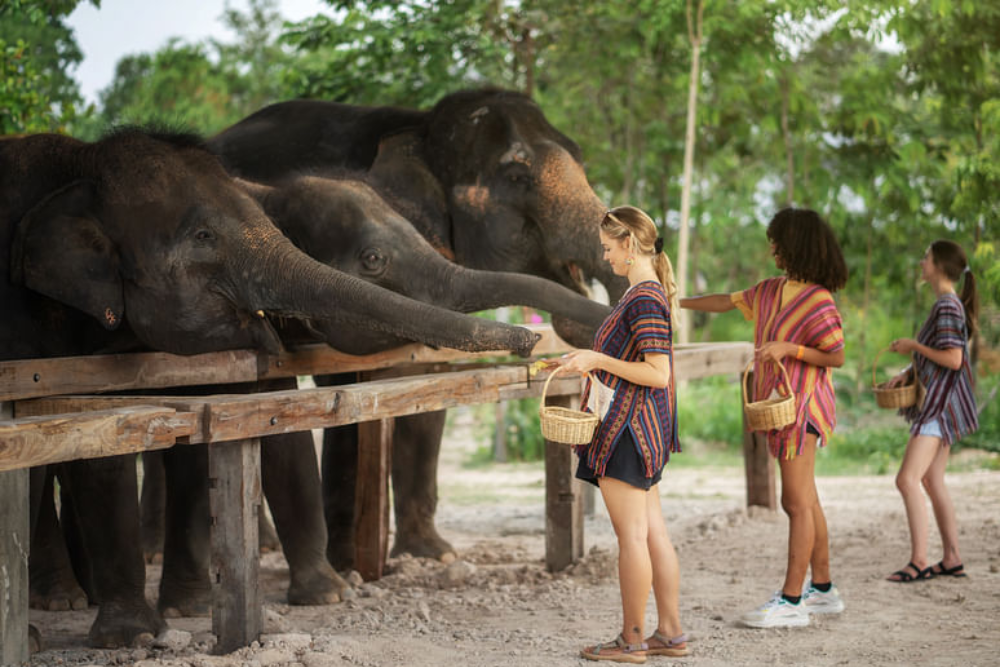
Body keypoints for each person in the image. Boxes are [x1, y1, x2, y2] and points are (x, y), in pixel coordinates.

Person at [680, 207, 848, 628]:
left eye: (777, 243)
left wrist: (788, 350)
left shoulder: (818, 300)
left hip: (803, 406)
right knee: (806, 497)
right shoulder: (770, 290)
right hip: (780, 407)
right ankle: (823, 591)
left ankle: (792, 602)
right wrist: (675, 300)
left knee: (794, 502)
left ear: (796, 246)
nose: (772, 250)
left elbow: (837, 354)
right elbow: (726, 300)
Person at [553, 206, 688, 663]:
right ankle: (669, 633)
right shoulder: (643, 294)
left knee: (632, 538)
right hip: (643, 429)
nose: (605, 256)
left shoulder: (644, 298)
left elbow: (658, 372)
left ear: (629, 245)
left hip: (629, 431)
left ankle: (631, 641)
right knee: (652, 535)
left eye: (609, 248)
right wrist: (583, 358)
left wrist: (597, 362)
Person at [884, 240, 979, 583]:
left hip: (939, 408)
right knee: (931, 479)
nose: (921, 262)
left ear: (938, 265)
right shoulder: (946, 304)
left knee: (906, 480)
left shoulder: (947, 307)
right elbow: (940, 358)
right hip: (944, 404)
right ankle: (951, 557)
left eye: (925, 257)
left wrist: (912, 345)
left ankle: (919, 560)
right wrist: (907, 373)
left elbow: (953, 359)